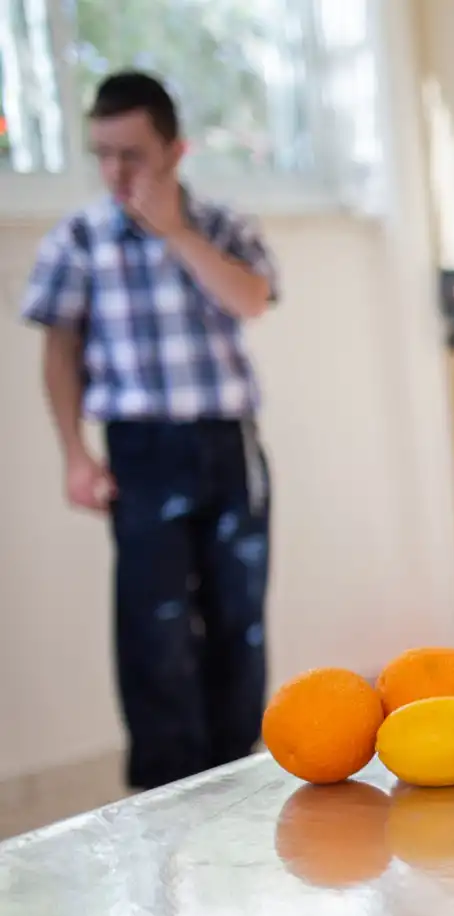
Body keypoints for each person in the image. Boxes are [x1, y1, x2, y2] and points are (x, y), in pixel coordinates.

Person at [20, 71, 279, 790]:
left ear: (174, 151)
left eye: (131, 154)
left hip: (228, 442)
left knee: (238, 618)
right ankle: (168, 793)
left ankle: (234, 780)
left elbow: (252, 299)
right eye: (102, 154)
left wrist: (177, 235)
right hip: (140, 450)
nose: (115, 171)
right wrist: (76, 455)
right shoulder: (80, 239)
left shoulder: (223, 226)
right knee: (153, 625)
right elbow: (60, 353)